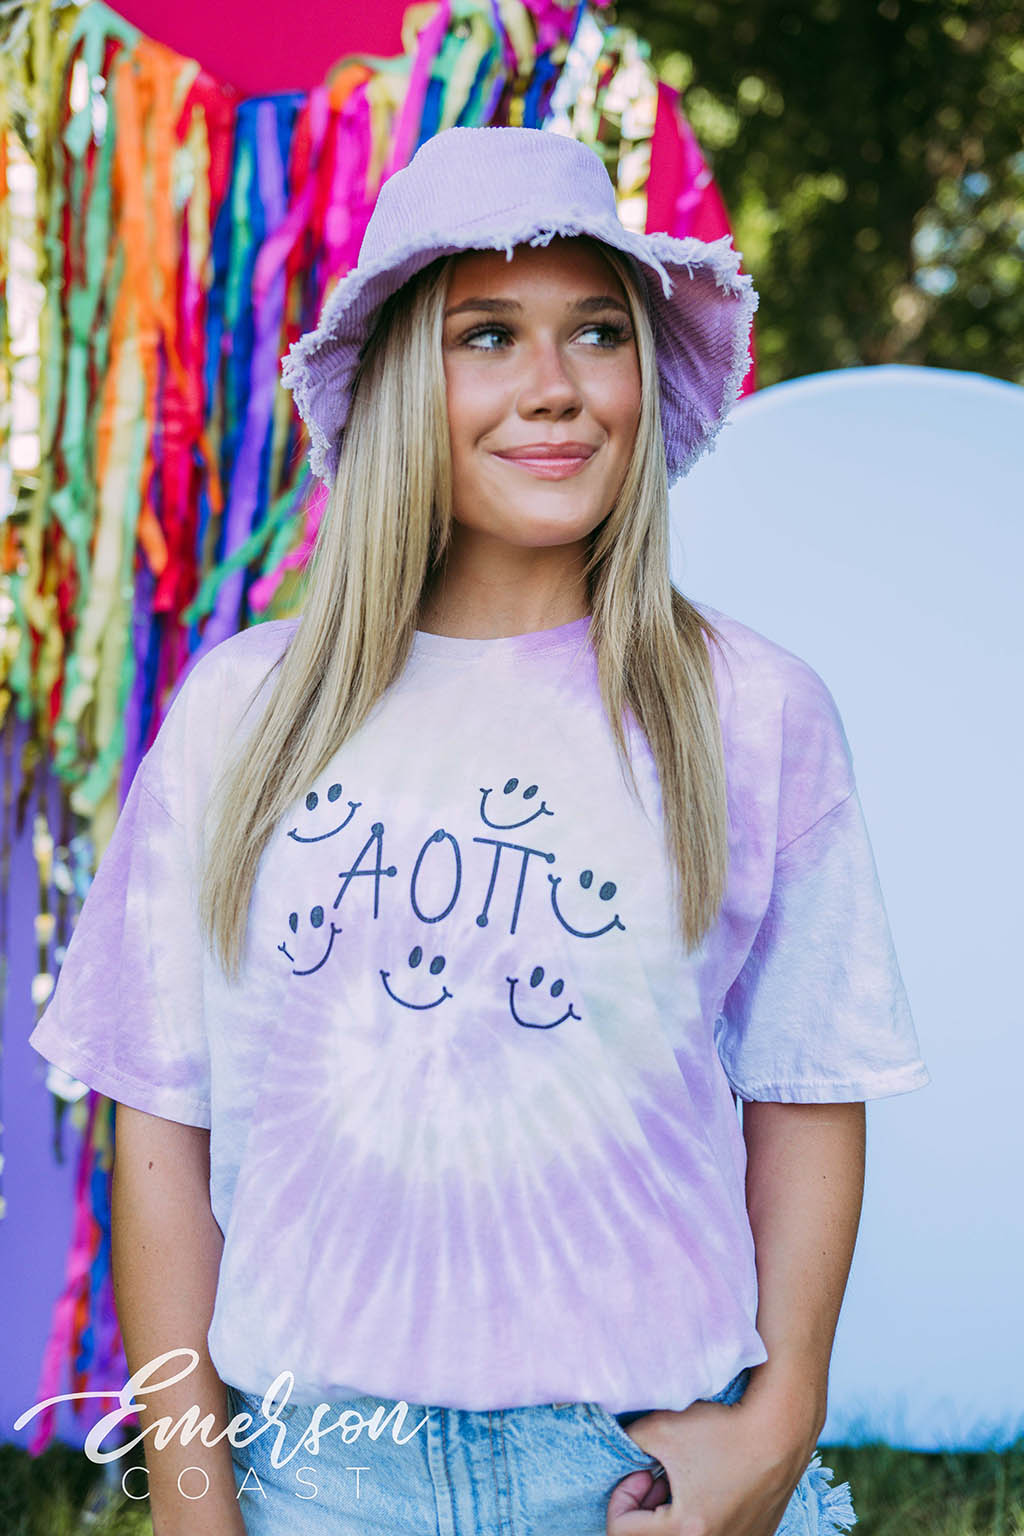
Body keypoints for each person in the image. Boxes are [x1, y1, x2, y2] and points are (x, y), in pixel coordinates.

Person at [29, 125, 930, 1536]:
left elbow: (809, 1087)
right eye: (488, 335)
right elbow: (161, 1132)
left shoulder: (750, 711)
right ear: (401, 380)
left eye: (598, 332)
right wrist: (196, 1512)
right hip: (320, 1474)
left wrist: (780, 1421)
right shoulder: (244, 714)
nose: (556, 386)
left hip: (641, 1470)